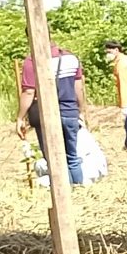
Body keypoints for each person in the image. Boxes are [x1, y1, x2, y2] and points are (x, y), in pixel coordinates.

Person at [19, 41, 85, 186]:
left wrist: (20, 117)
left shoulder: (32, 61)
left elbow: (29, 91)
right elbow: (78, 88)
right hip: (70, 112)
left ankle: (65, 194)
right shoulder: (70, 58)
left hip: (47, 116)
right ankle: (79, 191)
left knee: (55, 159)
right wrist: (80, 110)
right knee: (72, 156)